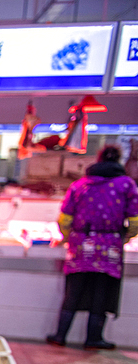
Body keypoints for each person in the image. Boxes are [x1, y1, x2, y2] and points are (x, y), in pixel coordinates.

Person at [47, 144, 138, 349]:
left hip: (80, 246)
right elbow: (135, 221)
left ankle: (60, 336)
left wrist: (69, 237)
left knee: (73, 291)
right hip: (111, 246)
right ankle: (93, 339)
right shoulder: (126, 185)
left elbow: (65, 218)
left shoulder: (80, 184)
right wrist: (125, 238)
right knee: (101, 293)